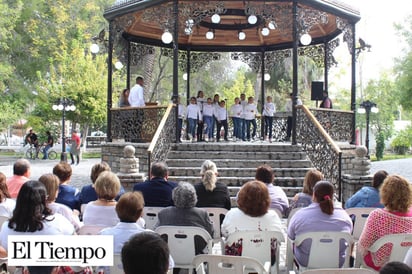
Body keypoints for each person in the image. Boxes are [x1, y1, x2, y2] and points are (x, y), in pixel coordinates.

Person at [288, 181, 353, 267]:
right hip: (336, 262)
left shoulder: (300, 215)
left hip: (306, 262)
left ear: (314, 195)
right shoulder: (345, 217)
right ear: (332, 196)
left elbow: (290, 236)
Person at [0, 180, 75, 252]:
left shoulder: (6, 227)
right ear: (44, 200)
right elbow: (74, 241)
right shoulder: (58, 221)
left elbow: (5, 250)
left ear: (19, 200)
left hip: (18, 264)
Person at [358, 175, 412, 271]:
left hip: (380, 265)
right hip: (406, 263)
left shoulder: (377, 215)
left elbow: (363, 244)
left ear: (384, 193)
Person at [222, 180, 283, 263]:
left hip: (236, 261)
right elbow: (279, 237)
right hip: (266, 261)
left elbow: (224, 232)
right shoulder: (273, 216)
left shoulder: (232, 214)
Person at [154, 182, 214, 254]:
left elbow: (156, 234)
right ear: (194, 197)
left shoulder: (163, 213)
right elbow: (211, 235)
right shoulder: (202, 214)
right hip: (197, 256)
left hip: (169, 255)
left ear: (174, 197)